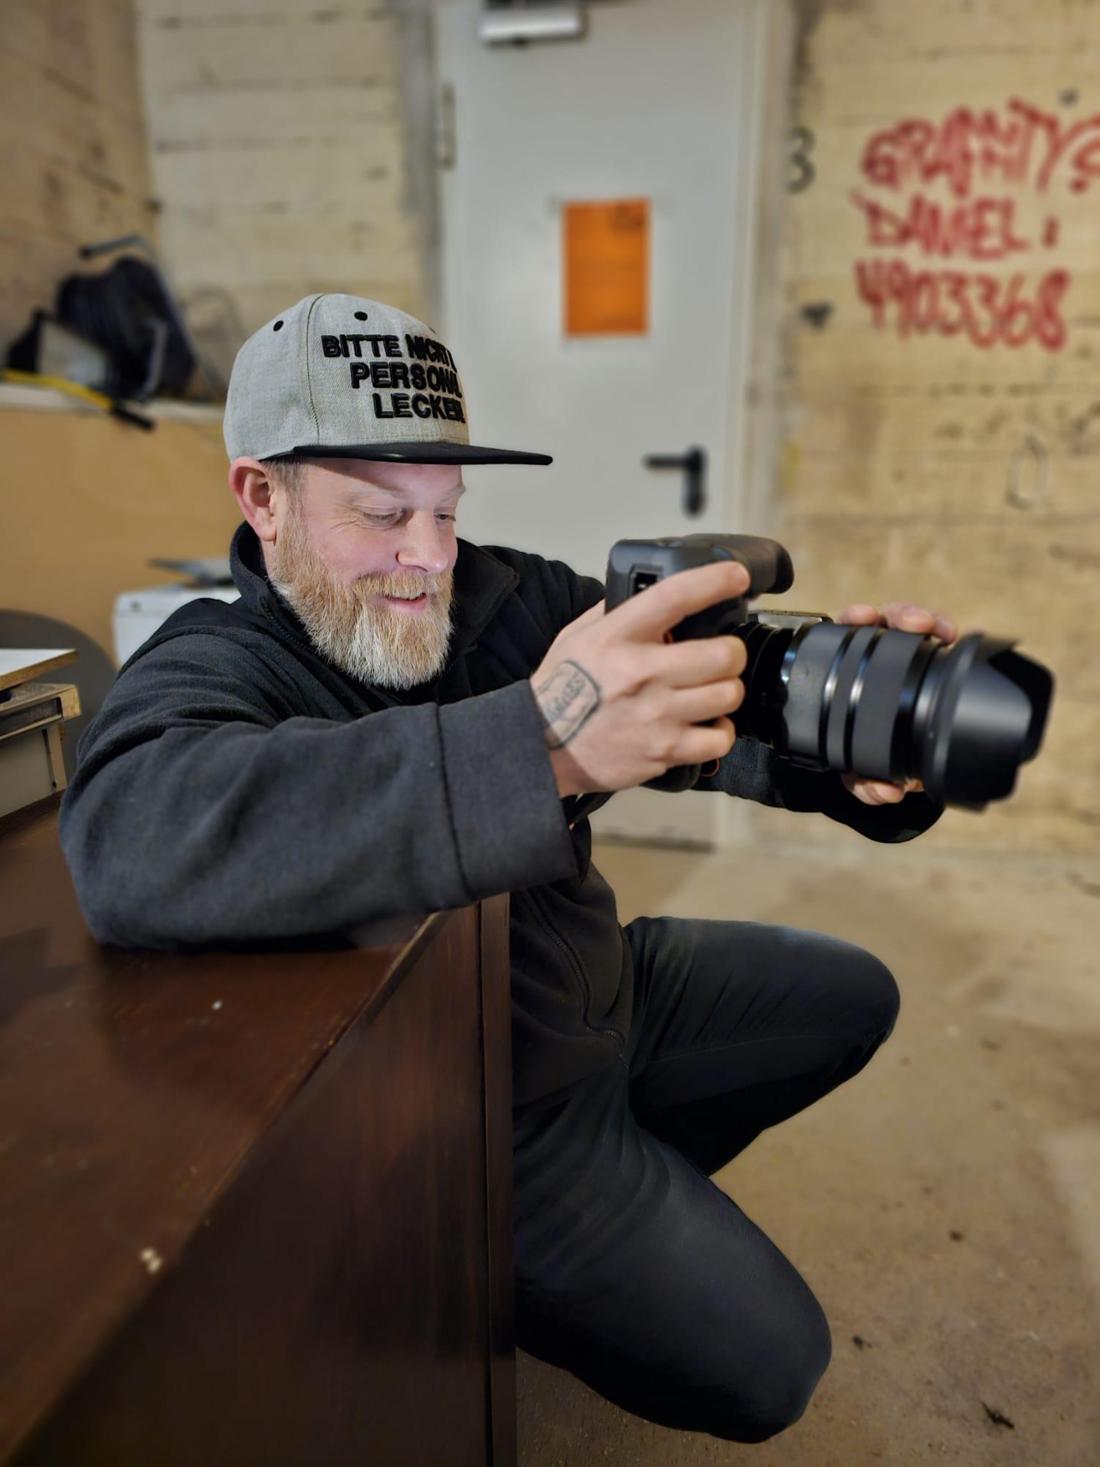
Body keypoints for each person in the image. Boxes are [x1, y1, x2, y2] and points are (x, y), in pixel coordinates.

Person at [60, 294, 958, 1444]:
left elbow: (689, 705)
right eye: (381, 513)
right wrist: (539, 746)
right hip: (482, 1104)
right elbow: (131, 835)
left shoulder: (502, 596)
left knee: (850, 996)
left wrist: (856, 756)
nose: (426, 558)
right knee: (772, 1362)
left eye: (446, 508)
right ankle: (503, 1256)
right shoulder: (219, 663)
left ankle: (620, 1200)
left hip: (598, 996)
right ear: (261, 496)